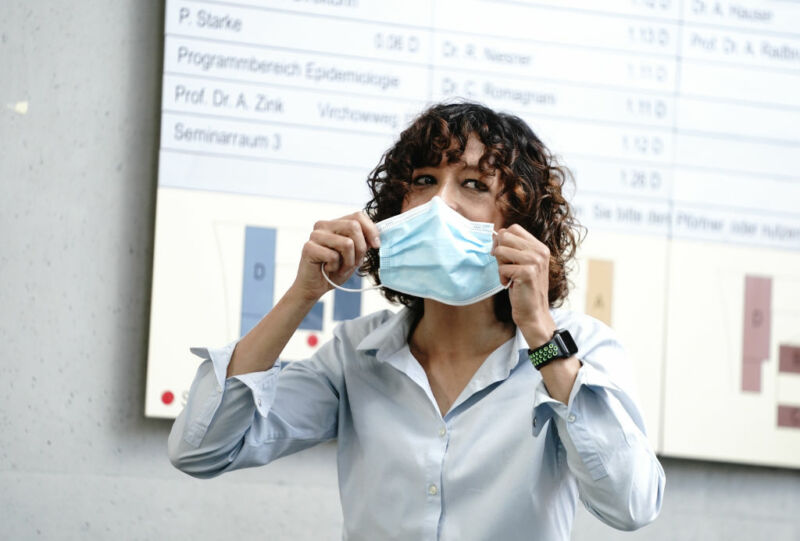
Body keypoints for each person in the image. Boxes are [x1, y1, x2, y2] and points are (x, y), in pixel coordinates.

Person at [168, 102, 665, 540]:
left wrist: (539, 330)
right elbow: (202, 449)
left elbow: (631, 504)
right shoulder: (355, 355)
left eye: (473, 184)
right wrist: (304, 293)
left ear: (520, 223)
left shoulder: (582, 348)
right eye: (424, 181)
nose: (438, 203)